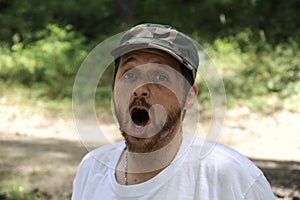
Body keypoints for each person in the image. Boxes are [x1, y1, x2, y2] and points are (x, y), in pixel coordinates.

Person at [72, 23, 274, 199]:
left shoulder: (230, 177)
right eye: (130, 75)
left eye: (161, 77)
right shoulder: (92, 170)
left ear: (189, 97)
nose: (140, 89)